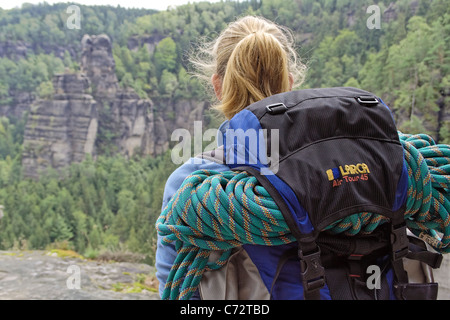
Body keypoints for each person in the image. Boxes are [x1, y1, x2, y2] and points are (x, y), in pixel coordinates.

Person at [155, 15, 307, 299]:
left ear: (218, 86)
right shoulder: (344, 169)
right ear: (289, 84)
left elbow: (174, 288)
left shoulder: (190, 183)